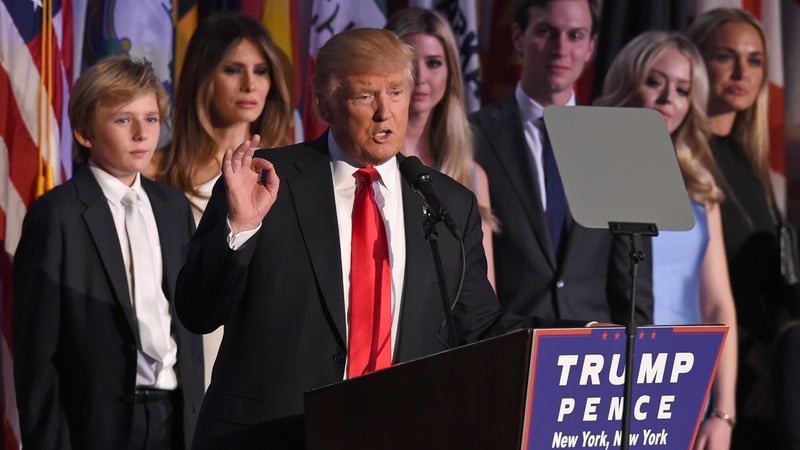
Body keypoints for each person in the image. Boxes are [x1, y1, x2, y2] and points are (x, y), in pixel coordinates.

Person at [175, 27, 589, 449]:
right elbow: (198, 312)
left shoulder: (445, 202)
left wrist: (586, 334)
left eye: (396, 92)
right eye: (364, 96)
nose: (384, 113)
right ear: (324, 104)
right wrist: (241, 228)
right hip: (270, 437)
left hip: (397, 431)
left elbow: (480, 325)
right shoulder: (265, 182)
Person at [12, 56, 203, 450]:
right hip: (96, 425)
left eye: (151, 119)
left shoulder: (172, 207)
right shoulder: (58, 215)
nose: (141, 134)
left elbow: (185, 323)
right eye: (122, 120)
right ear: (84, 133)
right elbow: (36, 353)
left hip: (172, 416)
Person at [595, 30, 738, 450]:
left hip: (685, 382)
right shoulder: (597, 172)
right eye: (655, 82)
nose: (667, 100)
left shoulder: (700, 184)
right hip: (608, 379)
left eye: (682, 90)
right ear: (628, 82)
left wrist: (723, 412)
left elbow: (718, 305)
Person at [470, 0, 654, 325]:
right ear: (518, 37)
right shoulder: (473, 137)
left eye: (575, 35)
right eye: (546, 32)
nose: (561, 49)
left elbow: (631, 281)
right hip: (510, 344)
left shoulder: (614, 143)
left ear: (591, 46)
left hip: (595, 348)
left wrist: (637, 347)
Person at [154, 11, 293, 389]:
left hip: (263, 365)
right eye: (233, 70)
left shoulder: (288, 173)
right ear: (203, 77)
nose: (250, 84)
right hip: (175, 364)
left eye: (262, 71)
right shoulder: (156, 172)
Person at [688, 8, 800, 449]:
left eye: (755, 60)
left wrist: (780, 364)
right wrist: (759, 360)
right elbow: (689, 284)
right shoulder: (684, 163)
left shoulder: (752, 166)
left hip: (773, 375)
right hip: (720, 376)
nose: (742, 73)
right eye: (725, 57)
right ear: (696, 62)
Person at [385, 7, 498, 288]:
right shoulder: (364, 164)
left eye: (434, 63)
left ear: (451, 73)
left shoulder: (472, 175)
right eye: (409, 62)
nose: (421, 76)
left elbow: (483, 289)